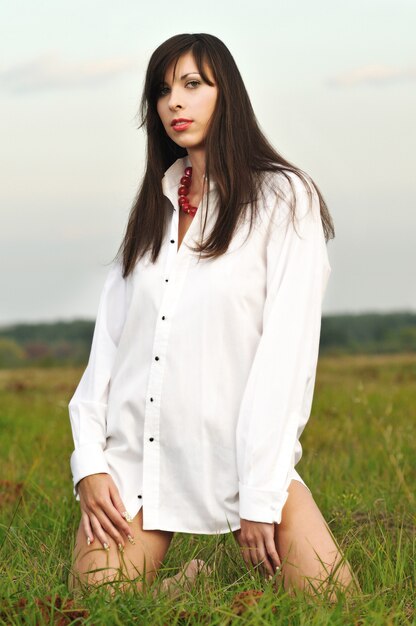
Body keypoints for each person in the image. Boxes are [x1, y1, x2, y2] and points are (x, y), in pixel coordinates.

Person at [67, 33, 360, 600]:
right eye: (162, 90)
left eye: (193, 84)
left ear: (228, 94)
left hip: (238, 455)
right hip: (139, 460)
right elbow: (110, 348)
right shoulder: (153, 206)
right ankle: (187, 583)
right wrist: (90, 463)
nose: (174, 102)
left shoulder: (284, 198)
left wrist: (260, 495)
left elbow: (286, 356)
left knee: (334, 605)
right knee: (94, 604)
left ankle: (213, 560)